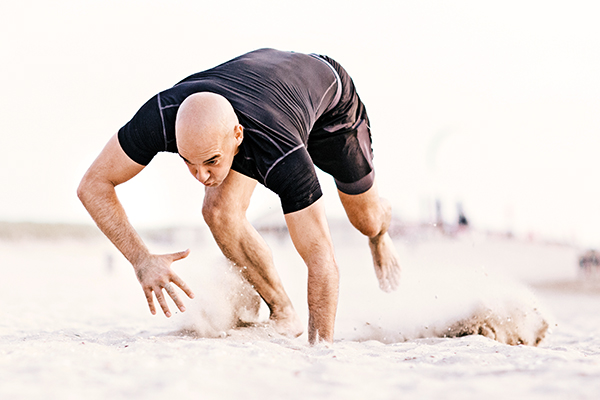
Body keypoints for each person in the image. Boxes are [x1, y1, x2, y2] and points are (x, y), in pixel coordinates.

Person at [77, 48, 400, 344]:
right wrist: (141, 260)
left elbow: (320, 258)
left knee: (365, 221)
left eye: (211, 162)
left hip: (332, 107)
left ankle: (379, 232)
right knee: (218, 210)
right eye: (189, 162)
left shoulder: (280, 153)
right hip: (261, 95)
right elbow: (93, 185)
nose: (201, 176)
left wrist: (321, 348)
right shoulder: (159, 118)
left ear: (237, 136)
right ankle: (283, 312)